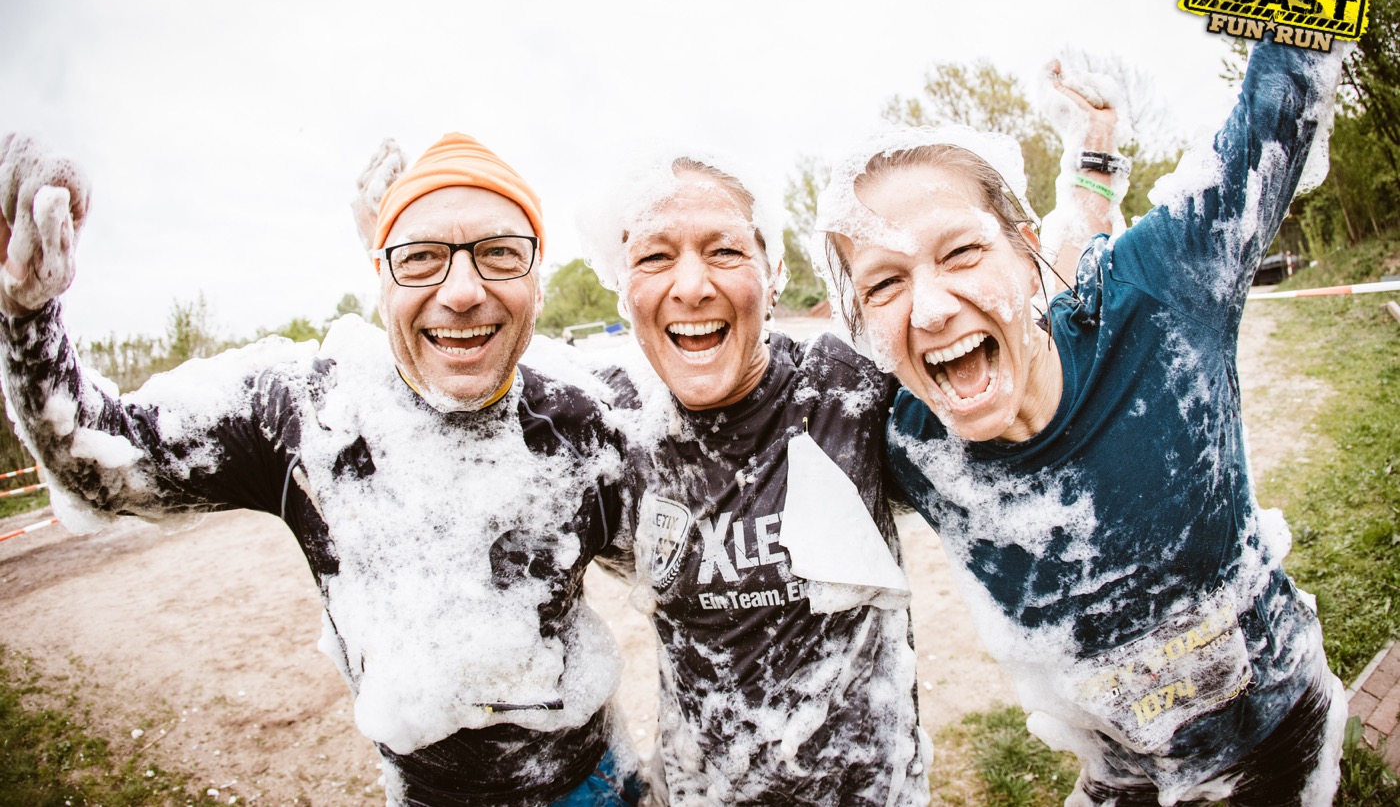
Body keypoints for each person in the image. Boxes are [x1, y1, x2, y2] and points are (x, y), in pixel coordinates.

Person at [813, 0, 1350, 804]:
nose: (930, 309)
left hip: (1279, 741)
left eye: (960, 252)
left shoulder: (1161, 291)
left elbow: (1281, 103)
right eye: (886, 283)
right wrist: (1094, 158)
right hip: (1119, 778)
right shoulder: (906, 441)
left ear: (1023, 252)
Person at [0, 131, 642, 807]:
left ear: (537, 282)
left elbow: (683, 572)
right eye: (420, 258)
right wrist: (28, 317)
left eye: (500, 253)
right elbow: (103, 465)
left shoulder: (586, 421)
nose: (461, 291)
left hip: (593, 784)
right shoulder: (311, 417)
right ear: (380, 280)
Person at [578, 150, 931, 806]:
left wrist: (1093, 169)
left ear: (773, 278)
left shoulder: (845, 388)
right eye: (654, 256)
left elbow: (1029, 351)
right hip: (698, 792)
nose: (691, 286)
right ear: (623, 288)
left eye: (724, 251)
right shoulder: (613, 430)